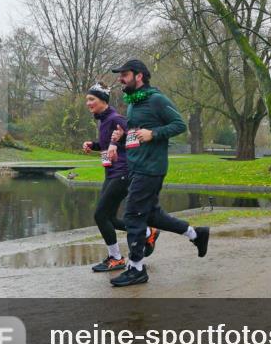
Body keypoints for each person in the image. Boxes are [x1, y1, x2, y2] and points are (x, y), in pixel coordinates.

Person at [107, 59, 210, 287]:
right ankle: (196, 234)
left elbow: (179, 125)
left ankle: (136, 269)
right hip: (136, 166)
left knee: (133, 215)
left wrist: (154, 134)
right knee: (152, 216)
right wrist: (122, 139)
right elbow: (137, 135)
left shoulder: (156, 99)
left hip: (150, 169)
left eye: (124, 74)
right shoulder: (134, 103)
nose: (120, 78)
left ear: (139, 76)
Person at [81, 82, 151, 273]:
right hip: (111, 173)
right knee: (109, 218)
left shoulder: (115, 118)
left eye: (91, 99)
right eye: (87, 99)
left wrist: (121, 138)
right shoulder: (104, 120)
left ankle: (116, 258)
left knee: (100, 215)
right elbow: (109, 145)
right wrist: (93, 145)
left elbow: (135, 137)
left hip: (122, 174)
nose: (88, 103)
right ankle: (146, 232)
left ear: (103, 100)